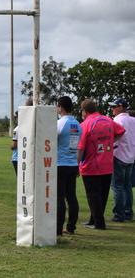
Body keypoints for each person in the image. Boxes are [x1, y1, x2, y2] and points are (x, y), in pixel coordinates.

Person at [78, 99, 125, 230]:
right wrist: (110, 142)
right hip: (107, 164)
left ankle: (99, 223)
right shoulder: (108, 120)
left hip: (91, 166)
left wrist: (76, 165)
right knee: (102, 195)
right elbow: (121, 131)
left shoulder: (85, 124)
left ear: (84, 111)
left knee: (93, 195)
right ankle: (94, 219)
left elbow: (81, 148)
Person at [56, 96, 81, 235]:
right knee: (71, 197)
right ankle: (71, 227)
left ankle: (58, 229)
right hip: (72, 163)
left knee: (59, 198)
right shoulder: (77, 123)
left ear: (60, 107)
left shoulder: (60, 123)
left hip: (60, 163)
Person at [110, 98, 135, 222]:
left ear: (120, 107)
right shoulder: (133, 120)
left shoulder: (117, 120)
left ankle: (119, 214)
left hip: (119, 155)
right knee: (127, 186)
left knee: (117, 187)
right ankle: (128, 212)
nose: (112, 109)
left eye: (114, 107)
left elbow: (114, 137)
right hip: (131, 157)